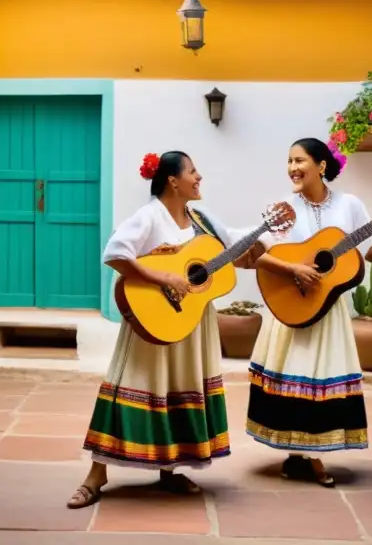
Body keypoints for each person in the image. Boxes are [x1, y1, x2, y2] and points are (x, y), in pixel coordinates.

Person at [68, 150, 260, 509]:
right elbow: (115, 253)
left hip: (191, 318)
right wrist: (164, 275)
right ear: (173, 180)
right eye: (193, 171)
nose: (199, 176)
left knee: (178, 388)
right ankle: (96, 474)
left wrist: (269, 231)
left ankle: (169, 468)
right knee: (130, 386)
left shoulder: (200, 218)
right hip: (152, 317)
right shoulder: (150, 215)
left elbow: (233, 241)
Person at [247, 137, 372, 487]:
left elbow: (362, 260)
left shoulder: (349, 205)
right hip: (291, 303)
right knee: (293, 377)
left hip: (329, 307)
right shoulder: (281, 208)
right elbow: (257, 256)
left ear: (321, 165)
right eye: (289, 161)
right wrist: (294, 270)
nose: (292, 168)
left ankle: (311, 455)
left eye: (299, 160)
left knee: (318, 379)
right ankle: (298, 455)